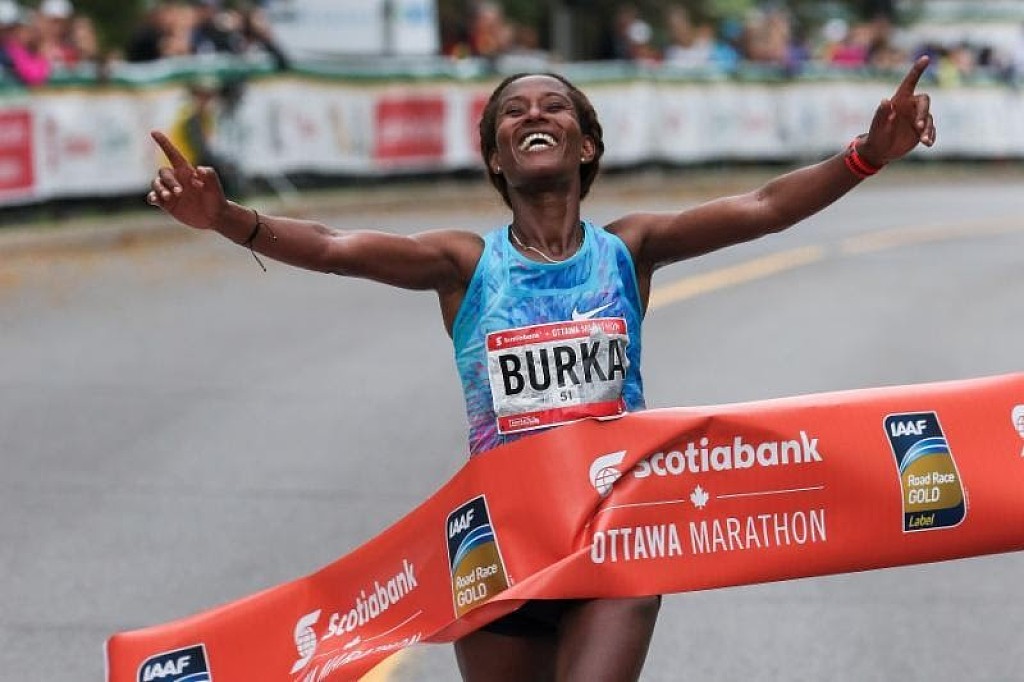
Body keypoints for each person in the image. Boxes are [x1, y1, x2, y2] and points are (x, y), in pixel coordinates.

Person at [146, 56, 935, 681]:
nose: (532, 115)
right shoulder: (465, 264)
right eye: (513, 112)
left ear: (585, 146)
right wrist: (227, 220)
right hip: (499, 549)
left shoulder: (628, 249)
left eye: (553, 106)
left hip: (614, 536)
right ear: (496, 158)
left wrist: (866, 156)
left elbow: (764, 208)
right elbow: (333, 247)